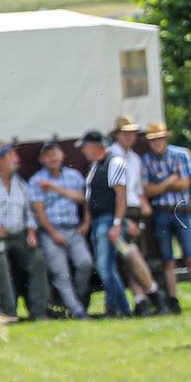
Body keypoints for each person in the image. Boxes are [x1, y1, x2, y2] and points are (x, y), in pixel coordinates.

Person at [141, 121, 191, 316]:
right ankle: (173, 301)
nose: (157, 143)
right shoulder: (146, 161)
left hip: (182, 211)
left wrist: (161, 186)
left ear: (166, 139)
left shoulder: (181, 154)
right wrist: (171, 181)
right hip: (161, 212)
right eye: (153, 140)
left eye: (159, 139)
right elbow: (148, 190)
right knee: (167, 260)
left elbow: (187, 183)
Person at [28, 141, 93, 319]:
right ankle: (78, 312)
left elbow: (85, 199)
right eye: (48, 155)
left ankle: (76, 302)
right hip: (50, 232)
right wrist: (53, 234)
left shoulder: (74, 176)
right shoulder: (36, 181)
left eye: (55, 153)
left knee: (85, 263)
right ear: (42, 160)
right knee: (60, 272)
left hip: (73, 229)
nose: (52, 157)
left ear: (62, 155)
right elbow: (39, 212)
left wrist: (87, 222)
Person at [108, 114, 165, 316]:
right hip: (122, 212)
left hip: (135, 209)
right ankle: (153, 294)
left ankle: (141, 300)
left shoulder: (134, 158)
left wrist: (144, 204)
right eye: (125, 134)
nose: (130, 137)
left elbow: (137, 190)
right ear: (116, 135)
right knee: (130, 254)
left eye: (132, 134)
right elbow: (115, 193)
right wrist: (124, 220)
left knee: (136, 255)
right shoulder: (111, 157)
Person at [80, 131, 132, 317]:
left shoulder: (114, 162)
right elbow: (89, 197)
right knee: (106, 266)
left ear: (95, 146)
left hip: (109, 219)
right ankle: (119, 306)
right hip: (98, 221)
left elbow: (121, 194)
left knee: (104, 265)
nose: (84, 151)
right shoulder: (95, 166)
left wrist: (117, 223)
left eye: (86, 146)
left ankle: (118, 307)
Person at [0, 141, 50, 320]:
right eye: (12, 156)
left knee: (38, 260)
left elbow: (29, 213)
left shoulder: (20, 185)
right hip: (0, 238)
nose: (17, 159)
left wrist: (31, 232)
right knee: (1, 264)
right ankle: (8, 313)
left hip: (19, 236)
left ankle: (38, 312)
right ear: (0, 160)